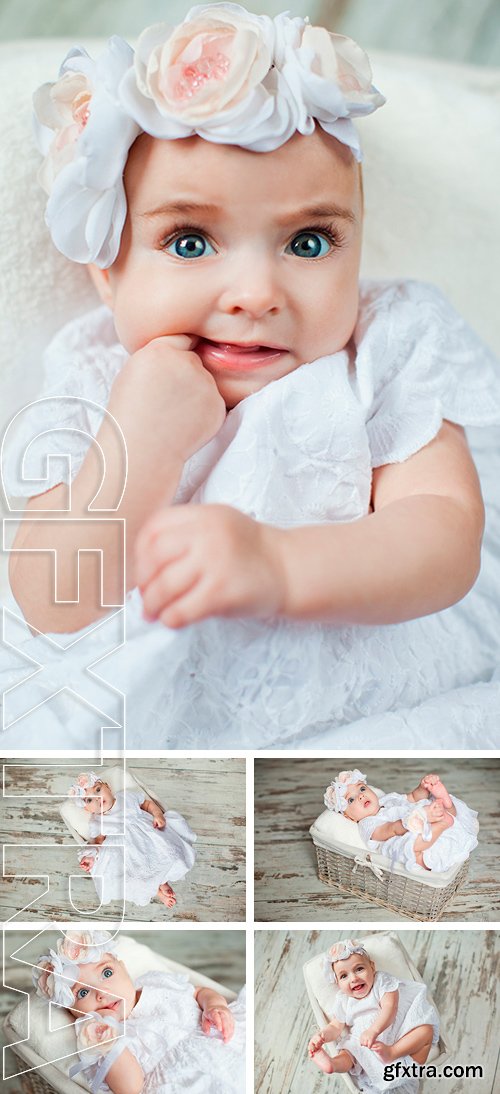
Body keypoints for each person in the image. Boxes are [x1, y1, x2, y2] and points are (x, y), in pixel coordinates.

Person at [3, 4, 500, 748]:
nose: (257, 292)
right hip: (169, 720)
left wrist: (281, 565)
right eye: (191, 241)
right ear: (107, 269)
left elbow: (444, 536)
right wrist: (137, 443)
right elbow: (50, 603)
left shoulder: (387, 345)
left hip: (372, 699)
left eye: (308, 240)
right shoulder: (97, 375)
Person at [32, 930, 245, 1094]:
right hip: (185, 1079)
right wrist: (110, 1041)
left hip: (221, 1042)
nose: (101, 993)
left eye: (107, 973)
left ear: (124, 968)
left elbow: (198, 992)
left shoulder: (156, 981)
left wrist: (215, 1006)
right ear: (72, 1012)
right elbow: (130, 1088)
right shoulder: (98, 1038)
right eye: (83, 992)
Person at [308, 939, 438, 1091]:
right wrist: (323, 1035)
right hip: (362, 1045)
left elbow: (390, 1008)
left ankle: (392, 1053)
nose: (354, 978)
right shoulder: (344, 1000)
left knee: (426, 1031)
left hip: (396, 1042)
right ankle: (332, 1064)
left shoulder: (382, 982)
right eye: (344, 976)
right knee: (348, 1055)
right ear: (337, 983)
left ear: (372, 967)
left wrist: (374, 1030)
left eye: (359, 969)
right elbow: (336, 1027)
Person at [68, 771, 196, 907]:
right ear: (88, 809)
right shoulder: (97, 822)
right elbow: (99, 843)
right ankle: (157, 891)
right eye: (90, 799)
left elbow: (147, 805)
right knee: (135, 877)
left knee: (167, 853)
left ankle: (162, 882)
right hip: (127, 852)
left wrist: (157, 814)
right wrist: (91, 857)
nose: (98, 798)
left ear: (108, 787)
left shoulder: (126, 797)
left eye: (98, 790)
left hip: (146, 836)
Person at [324, 769, 478, 873]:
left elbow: (412, 797)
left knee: (432, 805)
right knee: (410, 849)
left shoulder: (387, 799)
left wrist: (424, 787)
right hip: (403, 833)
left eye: (362, 789)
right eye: (351, 799)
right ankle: (442, 824)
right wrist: (415, 818)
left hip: (423, 817)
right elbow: (390, 830)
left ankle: (444, 802)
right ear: (349, 817)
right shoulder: (366, 824)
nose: (360, 796)